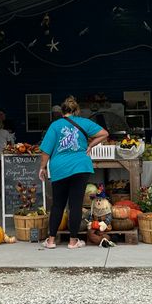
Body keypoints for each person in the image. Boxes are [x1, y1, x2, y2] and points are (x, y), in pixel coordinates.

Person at [38, 96, 109, 249]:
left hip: (59, 168)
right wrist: (91, 145)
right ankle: (73, 241)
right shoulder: (84, 122)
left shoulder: (55, 126)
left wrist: (42, 167)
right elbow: (104, 133)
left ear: (62, 111)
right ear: (76, 110)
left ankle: (51, 241)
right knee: (75, 205)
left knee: (58, 205)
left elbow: (46, 151)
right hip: (80, 167)